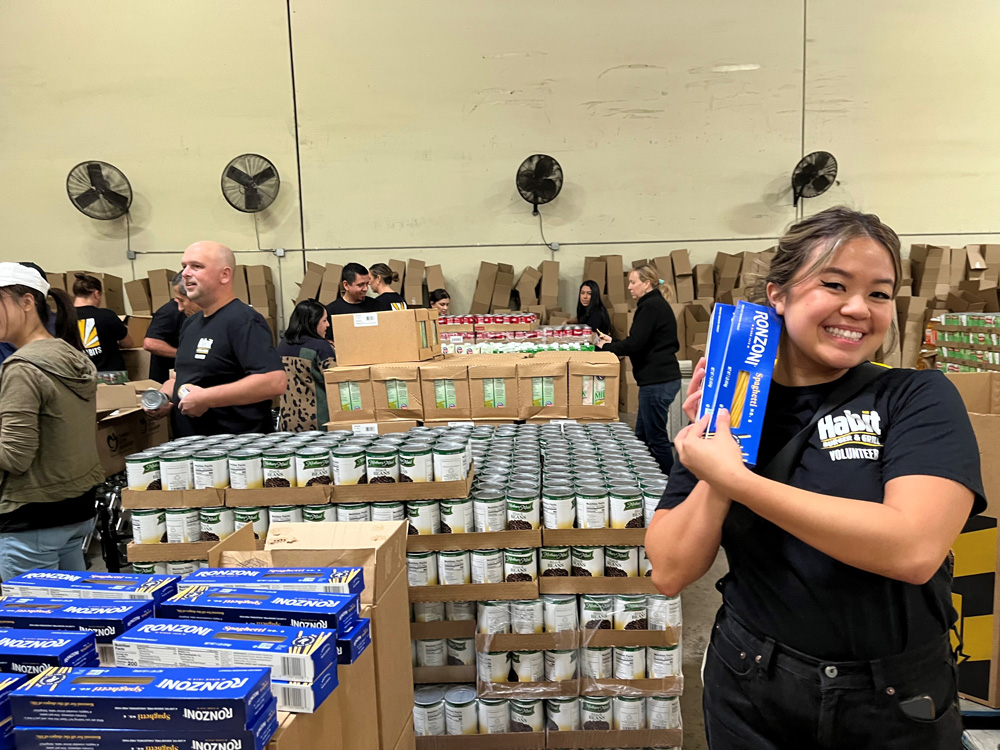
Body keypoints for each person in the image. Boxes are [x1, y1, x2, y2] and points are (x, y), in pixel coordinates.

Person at [649, 207, 985, 750]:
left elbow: (914, 547)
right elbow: (668, 569)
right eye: (834, 284)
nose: (858, 308)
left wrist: (740, 482)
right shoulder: (732, 407)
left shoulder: (915, 397)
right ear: (778, 295)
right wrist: (715, 468)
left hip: (894, 699)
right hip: (752, 685)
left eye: (879, 294)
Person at [0, 263, 104, 579]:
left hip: (32, 519)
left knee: (36, 624)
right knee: (76, 616)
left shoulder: (23, 368)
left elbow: (14, 457)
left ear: (27, 302)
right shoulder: (70, 355)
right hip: (75, 509)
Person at [144, 241, 286, 436]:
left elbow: (274, 381)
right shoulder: (191, 323)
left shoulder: (243, 320)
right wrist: (164, 397)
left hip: (235, 452)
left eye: (196, 266)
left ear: (225, 274)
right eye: (183, 266)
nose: (185, 273)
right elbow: (183, 378)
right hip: (193, 449)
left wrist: (207, 398)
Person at [596, 264, 681, 473]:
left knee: (655, 438)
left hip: (658, 381)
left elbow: (635, 344)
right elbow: (641, 342)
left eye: (633, 282)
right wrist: (615, 342)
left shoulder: (651, 306)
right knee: (642, 436)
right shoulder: (652, 304)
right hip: (656, 380)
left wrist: (606, 346)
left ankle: (670, 485)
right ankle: (646, 480)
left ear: (647, 283)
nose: (629, 287)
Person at [276, 299, 336, 431]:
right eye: (324, 320)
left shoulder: (282, 345)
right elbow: (336, 382)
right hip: (317, 423)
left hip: (287, 423)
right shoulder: (320, 347)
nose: (328, 325)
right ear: (313, 322)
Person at [143, 272, 201, 383]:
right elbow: (150, 343)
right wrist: (184, 355)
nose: (180, 307)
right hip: (167, 380)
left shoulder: (203, 316)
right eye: (180, 299)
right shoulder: (170, 311)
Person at [72, 273, 133, 380]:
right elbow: (128, 343)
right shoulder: (107, 315)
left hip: (78, 378)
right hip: (111, 377)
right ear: (96, 294)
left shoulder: (62, 318)